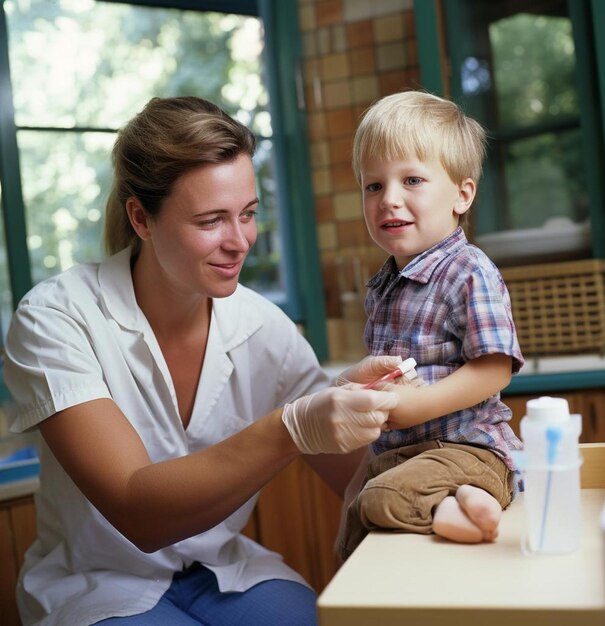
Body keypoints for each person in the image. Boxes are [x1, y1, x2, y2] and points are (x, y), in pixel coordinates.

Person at [3, 96, 403, 626]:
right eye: (212, 220)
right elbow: (137, 511)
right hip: (97, 583)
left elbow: (363, 476)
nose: (239, 242)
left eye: (249, 214)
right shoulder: (56, 318)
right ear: (141, 218)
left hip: (223, 570)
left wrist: (461, 484)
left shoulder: (264, 327)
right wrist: (291, 427)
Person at [336, 90, 525, 561]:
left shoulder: (468, 270)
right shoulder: (384, 283)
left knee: (381, 501)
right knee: (351, 523)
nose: (389, 200)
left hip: (468, 450)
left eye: (412, 180)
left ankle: (466, 500)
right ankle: (457, 504)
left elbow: (495, 368)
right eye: (373, 186)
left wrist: (415, 405)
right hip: (404, 454)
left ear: (463, 194)